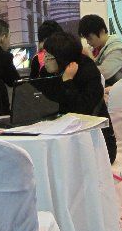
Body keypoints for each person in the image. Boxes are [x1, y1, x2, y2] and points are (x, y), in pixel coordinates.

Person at [40, 31, 117, 163]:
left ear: (61, 57)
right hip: (63, 136)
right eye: (44, 54)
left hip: (96, 143)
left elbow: (82, 110)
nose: (45, 60)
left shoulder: (88, 72)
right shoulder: (48, 73)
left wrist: (68, 82)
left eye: (49, 56)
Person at [78, 14, 122, 86]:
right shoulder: (94, 48)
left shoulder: (117, 49)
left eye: (90, 38)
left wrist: (90, 59)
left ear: (102, 31)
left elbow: (103, 74)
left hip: (119, 88)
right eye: (86, 39)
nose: (88, 42)